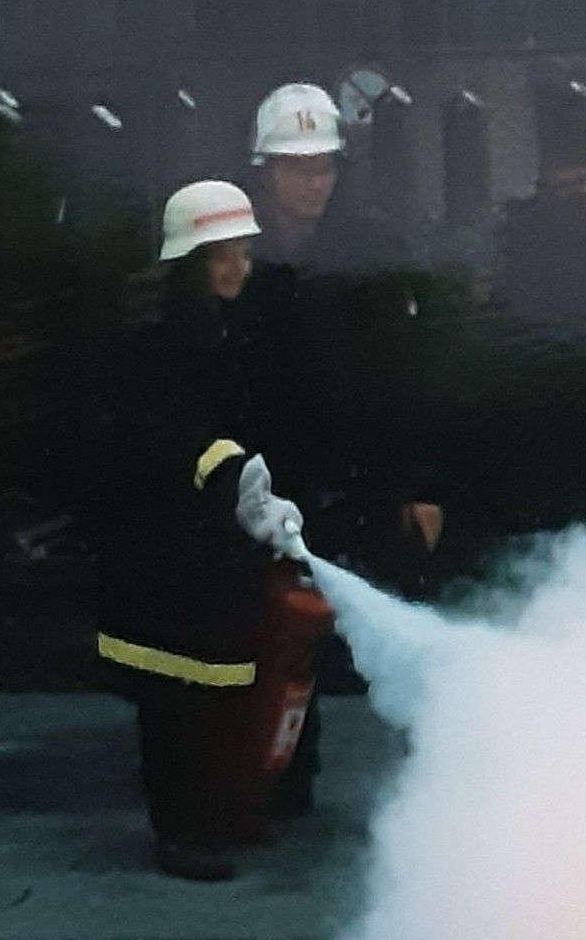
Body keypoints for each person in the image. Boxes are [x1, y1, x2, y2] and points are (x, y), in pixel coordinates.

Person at [230, 84, 443, 815]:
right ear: (266, 172)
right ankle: (283, 775)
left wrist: (419, 487)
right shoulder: (236, 256)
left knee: (394, 633)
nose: (311, 183)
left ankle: (431, 796)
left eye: (322, 168)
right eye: (296, 169)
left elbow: (409, 374)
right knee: (280, 640)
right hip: (269, 476)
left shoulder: (371, 252)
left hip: (363, 474)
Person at [97, 181, 311, 880]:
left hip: (208, 557)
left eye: (245, 253)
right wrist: (226, 473)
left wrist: (264, 493)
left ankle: (216, 818)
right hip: (162, 559)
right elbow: (161, 438)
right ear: (191, 262)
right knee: (173, 702)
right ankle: (179, 834)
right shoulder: (154, 350)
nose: (241, 268)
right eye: (226, 256)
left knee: (216, 691)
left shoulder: (225, 334)